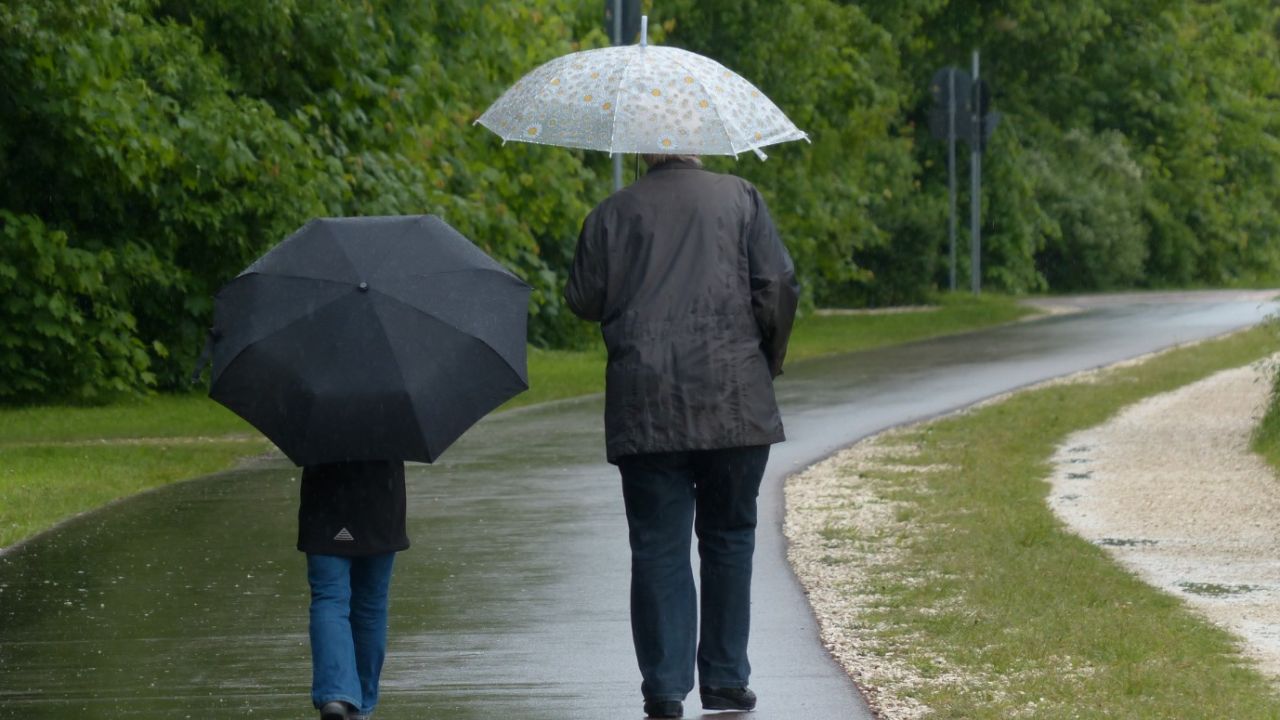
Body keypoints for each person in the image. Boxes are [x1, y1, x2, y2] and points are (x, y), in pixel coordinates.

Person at [564, 153, 799, 719]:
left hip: (646, 403)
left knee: (657, 546)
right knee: (729, 537)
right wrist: (768, 359)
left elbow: (583, 300)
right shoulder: (741, 198)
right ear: (701, 143)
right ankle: (724, 679)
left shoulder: (610, 214)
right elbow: (778, 287)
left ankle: (666, 687)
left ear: (644, 150)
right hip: (735, 398)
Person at [297, 460, 410, 720]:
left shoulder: (320, 419)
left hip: (325, 498)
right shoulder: (392, 419)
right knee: (370, 605)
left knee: (329, 598)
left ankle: (336, 693)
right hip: (381, 497)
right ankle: (361, 705)